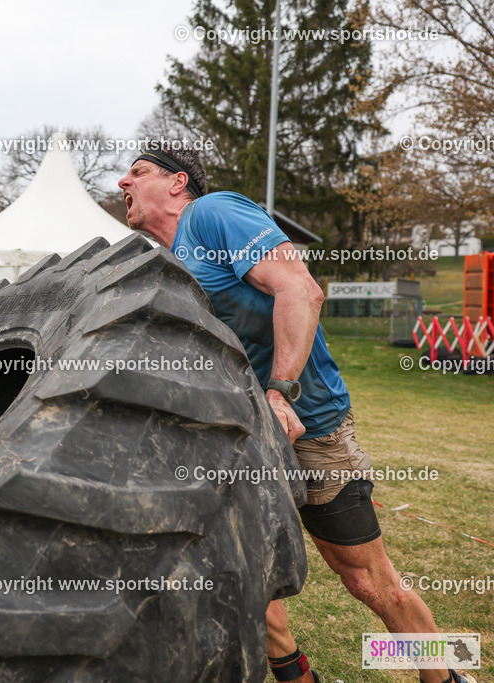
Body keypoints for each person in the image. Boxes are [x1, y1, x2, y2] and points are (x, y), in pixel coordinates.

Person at [118, 146, 471, 683]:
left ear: (177, 183)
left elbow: (300, 290)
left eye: (139, 172)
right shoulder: (166, 262)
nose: (124, 182)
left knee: (366, 580)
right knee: (238, 572)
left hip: (308, 426)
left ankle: (444, 676)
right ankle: (294, 675)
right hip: (236, 434)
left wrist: (280, 392)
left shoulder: (212, 214)